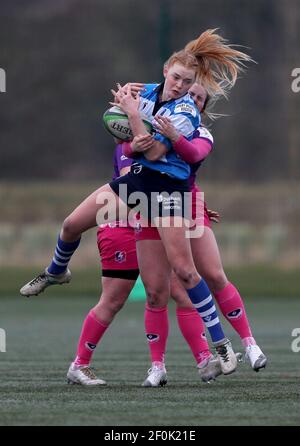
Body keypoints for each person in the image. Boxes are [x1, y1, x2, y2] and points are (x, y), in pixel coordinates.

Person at [20, 29, 251, 380]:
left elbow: (156, 150)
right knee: (71, 224)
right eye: (175, 77)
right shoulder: (145, 92)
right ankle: (56, 271)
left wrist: (131, 115)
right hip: (137, 183)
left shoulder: (185, 110)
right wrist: (124, 108)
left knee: (185, 274)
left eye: (186, 82)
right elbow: (120, 134)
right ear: (165, 71)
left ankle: (220, 343)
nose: (178, 85)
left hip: (168, 193)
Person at [132, 82, 267, 379]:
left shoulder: (202, 133)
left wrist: (173, 135)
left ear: (202, 108)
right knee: (156, 292)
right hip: (148, 203)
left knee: (213, 274)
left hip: (184, 204)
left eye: (198, 98)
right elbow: (130, 148)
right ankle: (159, 366)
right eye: (188, 94)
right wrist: (128, 101)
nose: (191, 98)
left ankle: (249, 343)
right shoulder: (153, 122)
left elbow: (192, 154)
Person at [66, 138, 227, 386]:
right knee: (114, 300)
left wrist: (194, 207)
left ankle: (204, 361)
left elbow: (172, 180)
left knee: (182, 293)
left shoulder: (158, 137)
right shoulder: (129, 145)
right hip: (123, 228)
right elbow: (138, 188)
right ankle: (79, 364)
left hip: (156, 224)